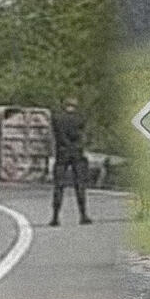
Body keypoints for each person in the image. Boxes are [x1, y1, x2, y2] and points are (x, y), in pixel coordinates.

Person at [51, 96, 91, 226]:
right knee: (80, 185)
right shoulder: (80, 119)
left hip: (62, 153)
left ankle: (55, 217)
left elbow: (57, 136)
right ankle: (83, 215)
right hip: (77, 153)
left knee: (59, 186)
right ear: (75, 106)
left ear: (65, 105)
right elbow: (83, 136)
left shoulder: (57, 119)